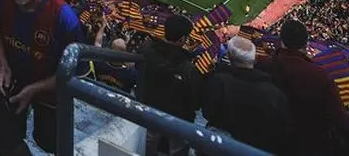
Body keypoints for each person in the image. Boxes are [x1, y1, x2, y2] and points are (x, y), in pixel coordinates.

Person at [0, 0, 83, 156]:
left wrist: (33, 90)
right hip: (12, 82)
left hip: (50, 93)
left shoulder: (64, 19)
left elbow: (73, 75)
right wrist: (3, 63)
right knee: (5, 142)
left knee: (51, 143)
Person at [258, 19, 349, 156]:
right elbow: (339, 117)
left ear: (281, 41)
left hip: (272, 138)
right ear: (306, 43)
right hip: (310, 143)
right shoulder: (319, 76)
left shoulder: (264, 65)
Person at [201, 36, 294, 154]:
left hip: (221, 145)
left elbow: (208, 112)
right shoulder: (275, 93)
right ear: (254, 59)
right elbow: (284, 129)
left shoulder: (219, 81)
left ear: (229, 57)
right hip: (255, 148)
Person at [137, 14, 201, 156]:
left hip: (148, 109)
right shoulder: (187, 68)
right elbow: (195, 102)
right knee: (176, 148)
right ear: (183, 39)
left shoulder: (145, 50)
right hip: (176, 119)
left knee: (148, 141)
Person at [93, 20, 137, 93]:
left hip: (98, 95)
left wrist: (103, 26)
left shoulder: (100, 63)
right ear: (124, 54)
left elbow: (97, 43)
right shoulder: (130, 74)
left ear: (110, 50)